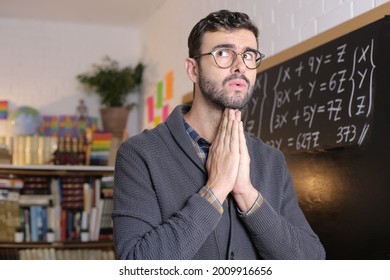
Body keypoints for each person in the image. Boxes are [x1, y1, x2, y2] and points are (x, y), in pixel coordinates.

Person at [113, 9, 326, 260]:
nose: (239, 66)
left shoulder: (272, 161)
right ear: (193, 70)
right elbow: (135, 264)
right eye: (223, 53)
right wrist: (215, 190)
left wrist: (246, 193)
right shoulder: (140, 154)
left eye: (248, 55)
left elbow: (312, 262)